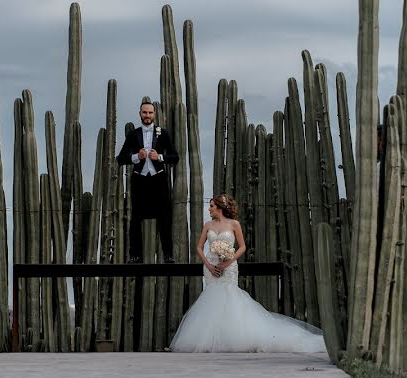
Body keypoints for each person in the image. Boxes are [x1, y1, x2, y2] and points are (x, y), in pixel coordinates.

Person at [169, 194, 326, 353]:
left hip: (228, 266)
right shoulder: (208, 225)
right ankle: (212, 339)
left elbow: (242, 247)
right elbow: (199, 247)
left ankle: (232, 337)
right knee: (211, 297)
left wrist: (228, 262)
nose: (209, 209)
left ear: (220, 208)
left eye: (212, 206)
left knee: (229, 295)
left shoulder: (234, 224)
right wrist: (208, 265)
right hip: (211, 265)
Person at [116, 101, 179, 263]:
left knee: (165, 217)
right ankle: (135, 255)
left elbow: (175, 157)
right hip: (139, 180)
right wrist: (137, 157)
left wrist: (159, 157)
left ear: (154, 114)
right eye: (144, 113)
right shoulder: (133, 134)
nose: (147, 116)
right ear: (140, 114)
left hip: (159, 179)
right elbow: (121, 159)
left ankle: (168, 255)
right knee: (136, 218)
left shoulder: (163, 134)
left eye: (150, 113)